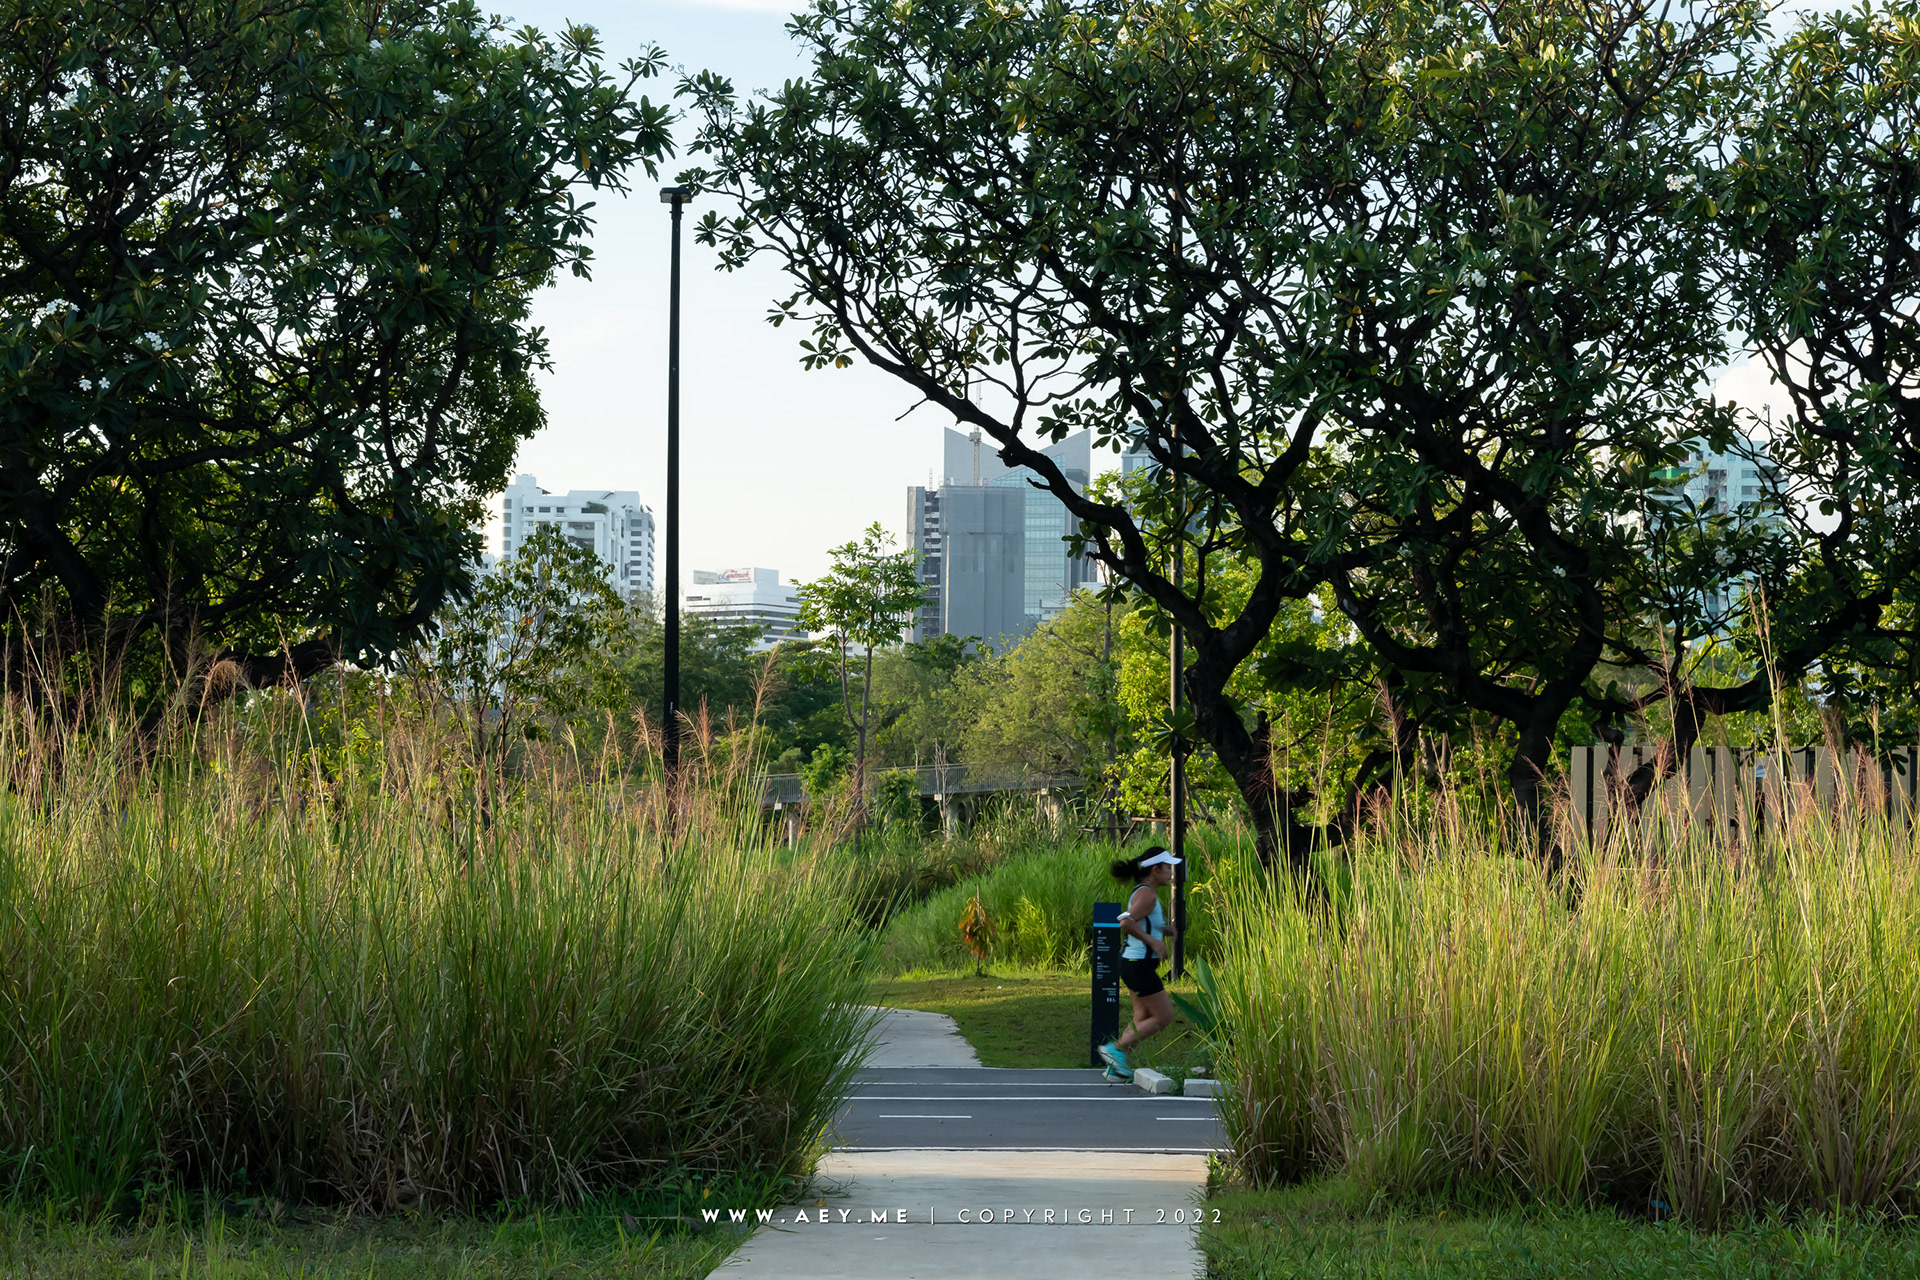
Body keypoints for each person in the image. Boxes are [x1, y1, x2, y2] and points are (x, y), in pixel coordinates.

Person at [1097, 847, 1180, 1082]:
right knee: (1163, 1017)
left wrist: (1162, 930)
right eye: (1167, 867)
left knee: (1141, 1017)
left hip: (1132, 962)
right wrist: (1154, 942)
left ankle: (1115, 1068)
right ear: (1155, 870)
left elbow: (1140, 922)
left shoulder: (1143, 892)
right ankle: (1114, 1049)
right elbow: (1125, 922)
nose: (1171, 872)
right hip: (1138, 965)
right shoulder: (1148, 895)